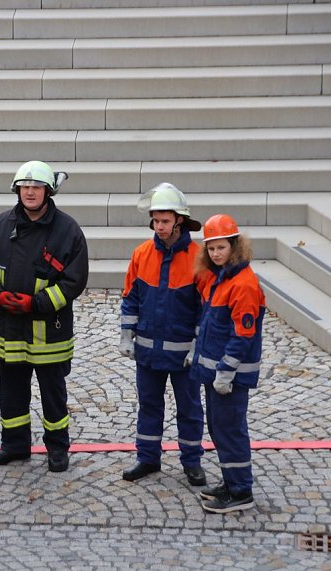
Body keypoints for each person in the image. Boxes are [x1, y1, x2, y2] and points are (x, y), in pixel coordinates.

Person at [0, 160, 88, 472]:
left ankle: (57, 448)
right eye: (25, 187)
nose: (30, 192)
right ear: (17, 190)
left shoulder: (67, 230)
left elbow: (74, 281)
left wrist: (35, 304)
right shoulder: (1, 224)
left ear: (48, 191)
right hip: (9, 329)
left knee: (53, 395)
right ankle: (14, 445)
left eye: (36, 187)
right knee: (11, 392)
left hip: (49, 332)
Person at [119, 182, 207, 487]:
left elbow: (205, 308)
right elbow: (131, 297)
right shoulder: (142, 254)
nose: (159, 227)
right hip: (147, 350)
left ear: (179, 220)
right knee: (149, 405)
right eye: (156, 221)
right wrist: (126, 333)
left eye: (165, 221)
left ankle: (192, 462)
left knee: (190, 408)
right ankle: (147, 457)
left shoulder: (198, 258)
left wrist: (198, 344)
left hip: (184, 354)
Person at [190, 214, 265, 514]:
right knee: (221, 428)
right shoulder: (220, 280)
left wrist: (226, 371)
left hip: (230, 377)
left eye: (221, 248)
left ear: (234, 247)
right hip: (218, 374)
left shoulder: (242, 285)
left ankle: (241, 490)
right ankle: (231, 481)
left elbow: (242, 335)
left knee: (230, 430)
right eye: (211, 249)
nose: (216, 254)